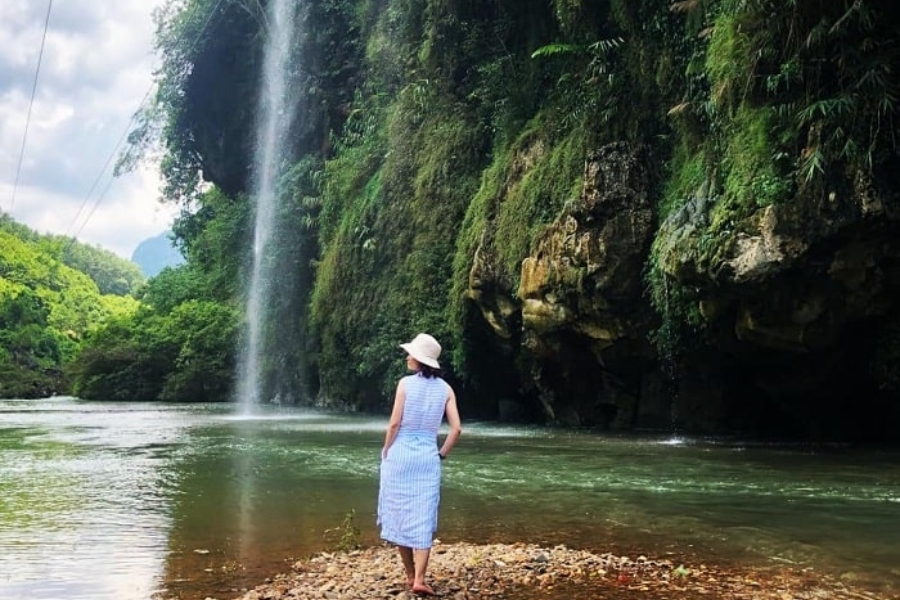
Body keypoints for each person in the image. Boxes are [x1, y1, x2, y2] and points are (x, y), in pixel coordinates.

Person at [377, 333, 462, 596]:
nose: (407, 357)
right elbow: (457, 429)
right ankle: (420, 579)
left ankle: (410, 574)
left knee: (401, 513)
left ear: (419, 360)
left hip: (400, 454)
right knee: (423, 516)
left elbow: (394, 423)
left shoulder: (404, 384)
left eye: (410, 354)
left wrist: (386, 449)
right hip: (427, 457)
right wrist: (442, 454)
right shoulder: (446, 390)